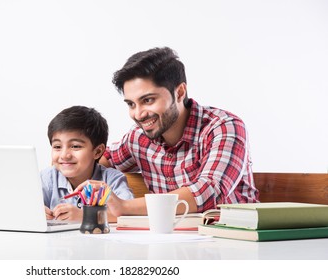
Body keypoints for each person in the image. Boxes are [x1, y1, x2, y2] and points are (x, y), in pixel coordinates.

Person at [77, 47, 259, 216]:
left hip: (232, 238)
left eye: (148, 100)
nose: (138, 114)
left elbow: (209, 192)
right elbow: (98, 161)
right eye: (131, 104)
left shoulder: (224, 127)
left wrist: (124, 206)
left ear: (179, 92)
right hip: (168, 240)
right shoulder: (138, 137)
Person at [41, 105, 134, 222]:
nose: (64, 155)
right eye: (57, 147)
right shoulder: (47, 178)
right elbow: (19, 206)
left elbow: (129, 215)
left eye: (75, 146)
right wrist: (35, 212)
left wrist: (85, 216)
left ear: (98, 151)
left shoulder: (112, 180)